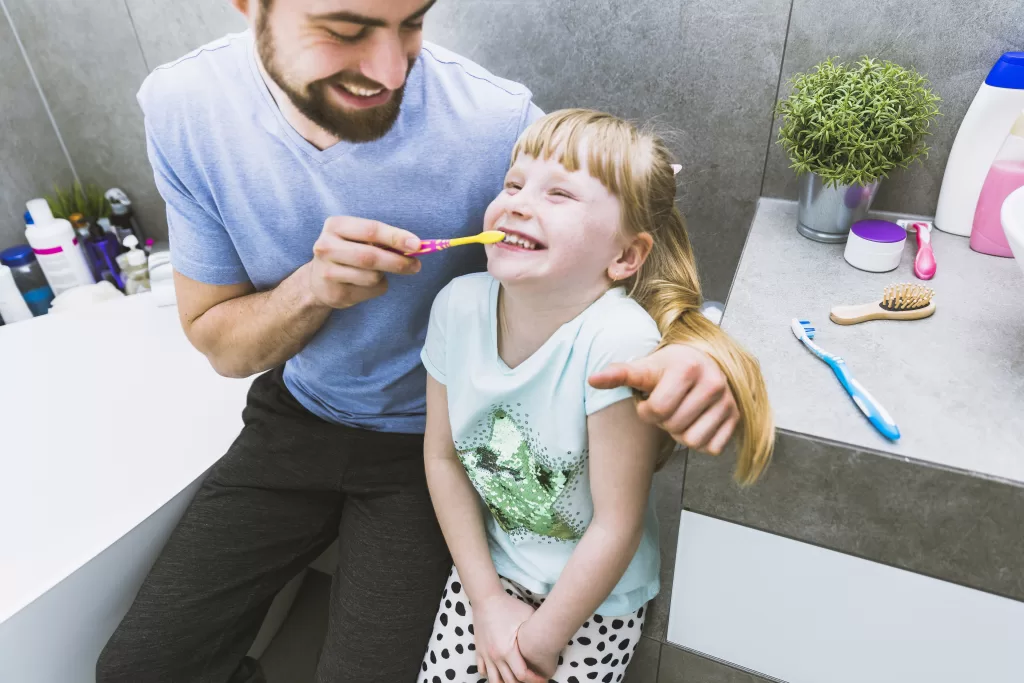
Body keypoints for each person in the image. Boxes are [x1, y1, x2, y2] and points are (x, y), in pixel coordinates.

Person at [96, 2, 757, 682]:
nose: (391, 70)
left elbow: (623, 254)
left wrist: (697, 352)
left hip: (421, 449)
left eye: (412, 22)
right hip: (293, 417)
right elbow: (223, 348)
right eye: (346, 30)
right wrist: (311, 288)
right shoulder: (182, 108)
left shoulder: (497, 121)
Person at [417, 109, 772, 683]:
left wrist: (537, 642)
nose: (517, 202)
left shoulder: (617, 341)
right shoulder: (455, 307)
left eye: (559, 193)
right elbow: (442, 457)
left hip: (595, 602)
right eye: (513, 184)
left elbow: (615, 525)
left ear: (625, 257)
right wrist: (485, 601)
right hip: (491, 571)